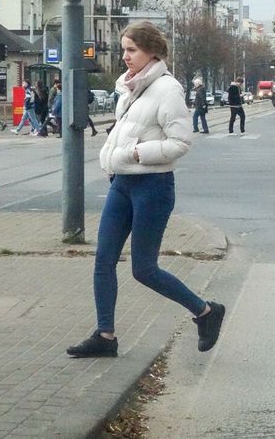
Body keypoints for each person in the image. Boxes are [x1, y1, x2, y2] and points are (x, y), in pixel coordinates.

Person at [66, 22, 225, 359]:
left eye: (131, 50)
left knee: (144, 269)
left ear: (152, 51)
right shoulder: (130, 88)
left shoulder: (167, 89)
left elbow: (181, 142)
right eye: (124, 49)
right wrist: (114, 156)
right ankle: (105, 335)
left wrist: (138, 154)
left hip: (152, 187)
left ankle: (206, 312)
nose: (125, 57)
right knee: (103, 260)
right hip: (121, 184)